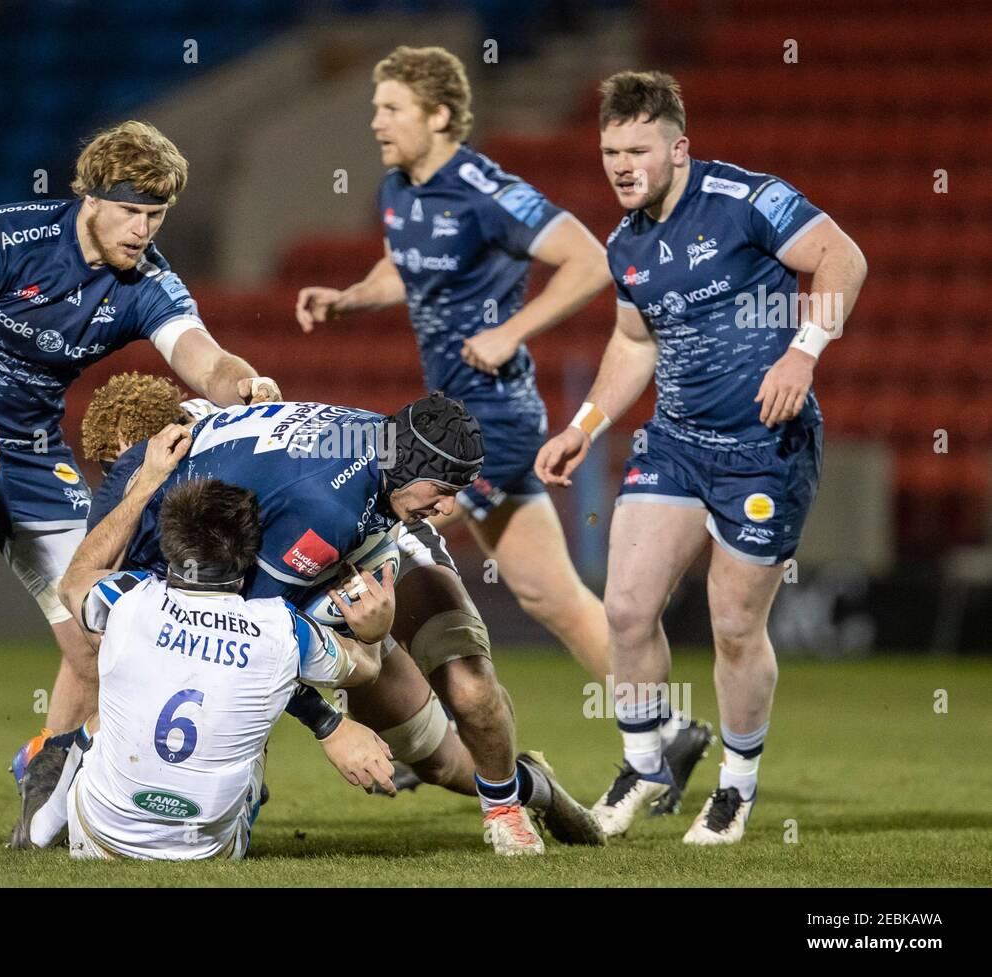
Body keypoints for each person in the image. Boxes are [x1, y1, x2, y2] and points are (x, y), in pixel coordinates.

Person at [294, 45, 714, 815]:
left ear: (440, 116)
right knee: (551, 595)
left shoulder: (483, 188)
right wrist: (353, 296)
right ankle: (666, 730)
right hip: (453, 422)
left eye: (391, 108)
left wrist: (509, 331)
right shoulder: (399, 188)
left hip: (490, 421)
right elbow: (407, 265)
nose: (377, 121)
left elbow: (587, 260)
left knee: (391, 547)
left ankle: (421, 728)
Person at [0, 120, 279, 828]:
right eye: (131, 211)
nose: (143, 229)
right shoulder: (6, 237)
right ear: (90, 198)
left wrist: (248, 384)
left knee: (102, 630)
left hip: (34, 454)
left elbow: (204, 358)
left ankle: (47, 755)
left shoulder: (148, 282)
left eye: (156, 215)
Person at [535, 71, 867, 844]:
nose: (621, 164)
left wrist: (803, 353)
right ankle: (644, 761)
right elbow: (631, 340)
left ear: (678, 148)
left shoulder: (746, 200)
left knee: (733, 625)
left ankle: (737, 787)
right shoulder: (626, 244)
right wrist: (584, 424)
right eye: (610, 150)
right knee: (623, 607)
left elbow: (843, 258)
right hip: (678, 443)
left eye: (637, 149)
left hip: (764, 449)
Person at [78, 385, 605, 854]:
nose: (449, 508)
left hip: (375, 542)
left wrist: (334, 716)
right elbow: (255, 633)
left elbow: (257, 628)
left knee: (471, 690)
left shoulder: (380, 459)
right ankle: (533, 786)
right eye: (442, 491)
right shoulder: (320, 506)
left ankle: (505, 809)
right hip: (311, 563)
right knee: (436, 759)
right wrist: (331, 720)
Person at [41, 424, 390, 860]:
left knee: (112, 715)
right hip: (209, 852)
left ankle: (38, 827)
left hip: (97, 836)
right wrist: (373, 633)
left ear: (170, 546)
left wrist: (147, 482)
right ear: (249, 558)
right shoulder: (281, 627)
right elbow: (366, 668)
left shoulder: (130, 599)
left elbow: (73, 582)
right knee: (249, 715)